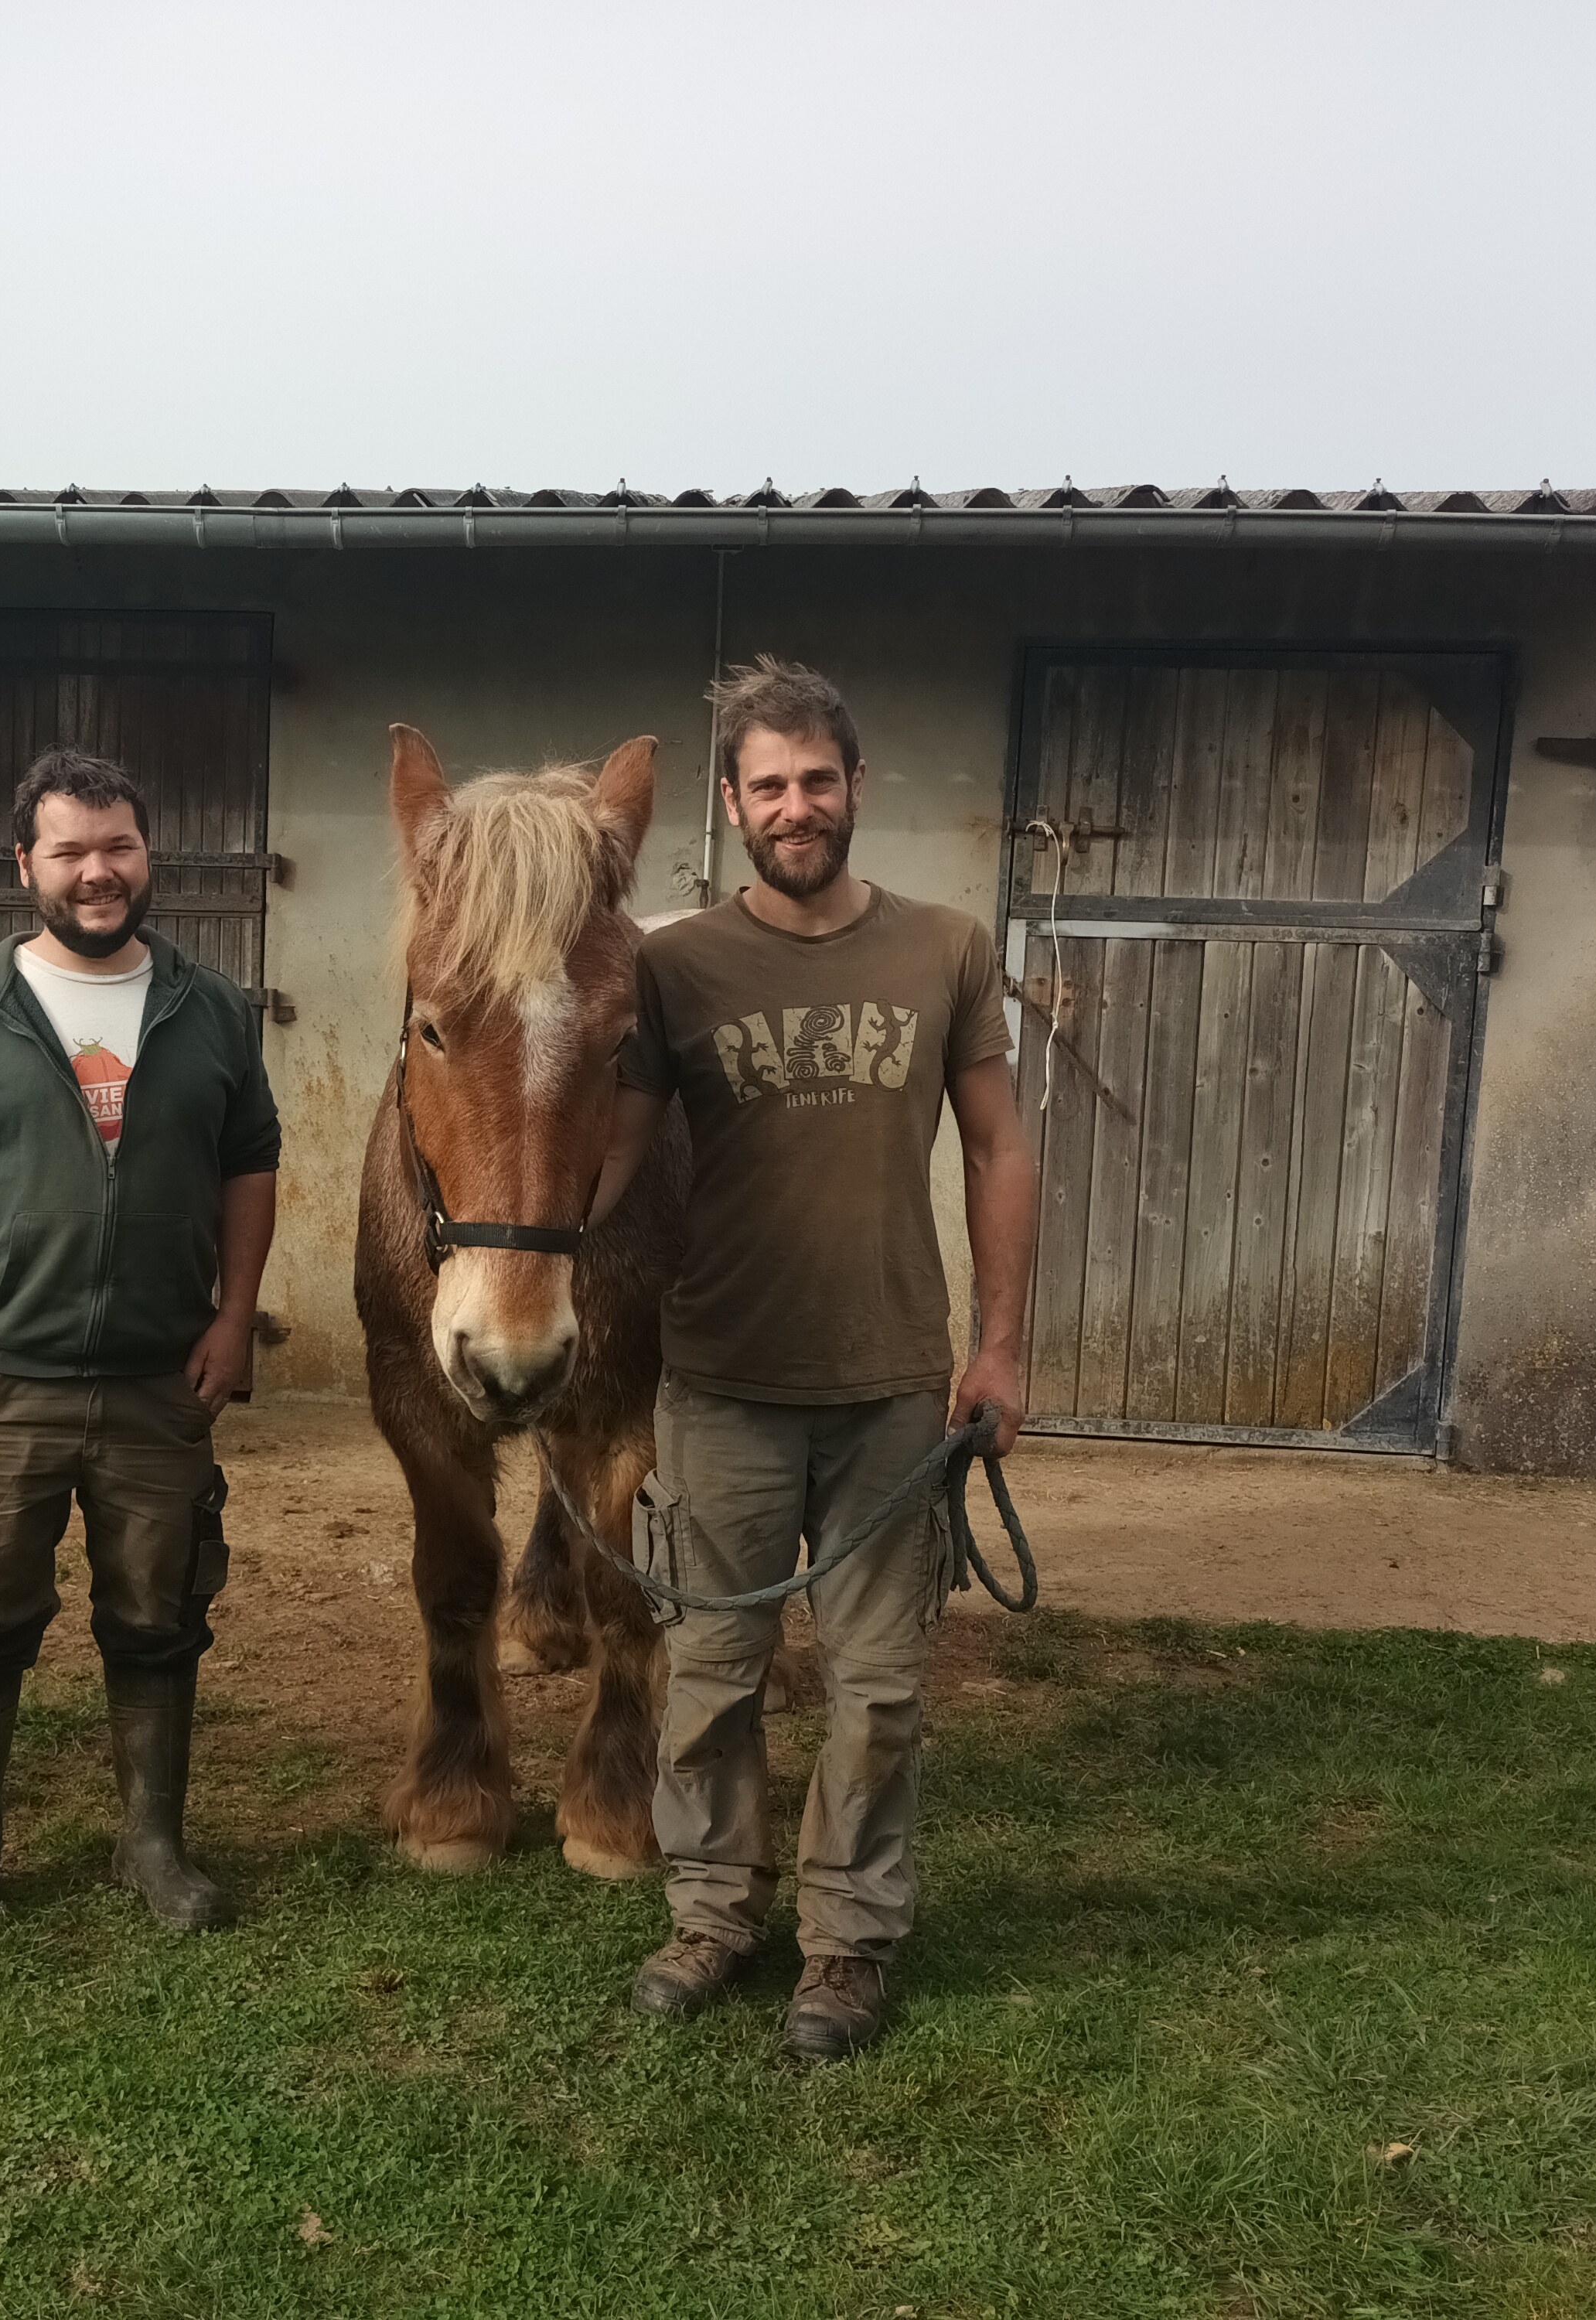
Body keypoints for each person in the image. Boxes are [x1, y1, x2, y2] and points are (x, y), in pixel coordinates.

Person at [590, 654, 1035, 2060]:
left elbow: (1002, 1143)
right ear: (731, 805)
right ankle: (715, 1912)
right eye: (769, 785)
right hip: (718, 1377)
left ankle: (848, 1943)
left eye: (817, 781)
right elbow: (608, 1158)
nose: (797, 806)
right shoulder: (673, 968)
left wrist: (1003, 1347)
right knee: (712, 1671)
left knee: (879, 1687)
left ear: (857, 789)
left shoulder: (948, 947)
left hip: (891, 1385)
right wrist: (505, 1245)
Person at [0, 747, 281, 1936]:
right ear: (27, 865)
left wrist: (231, 1318)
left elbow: (250, 1166)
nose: (98, 872)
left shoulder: (210, 1008)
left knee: (159, 1616)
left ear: (148, 855)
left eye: (118, 847)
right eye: (71, 851)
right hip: (3, 1379)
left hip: (162, 1383)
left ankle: (154, 1847)